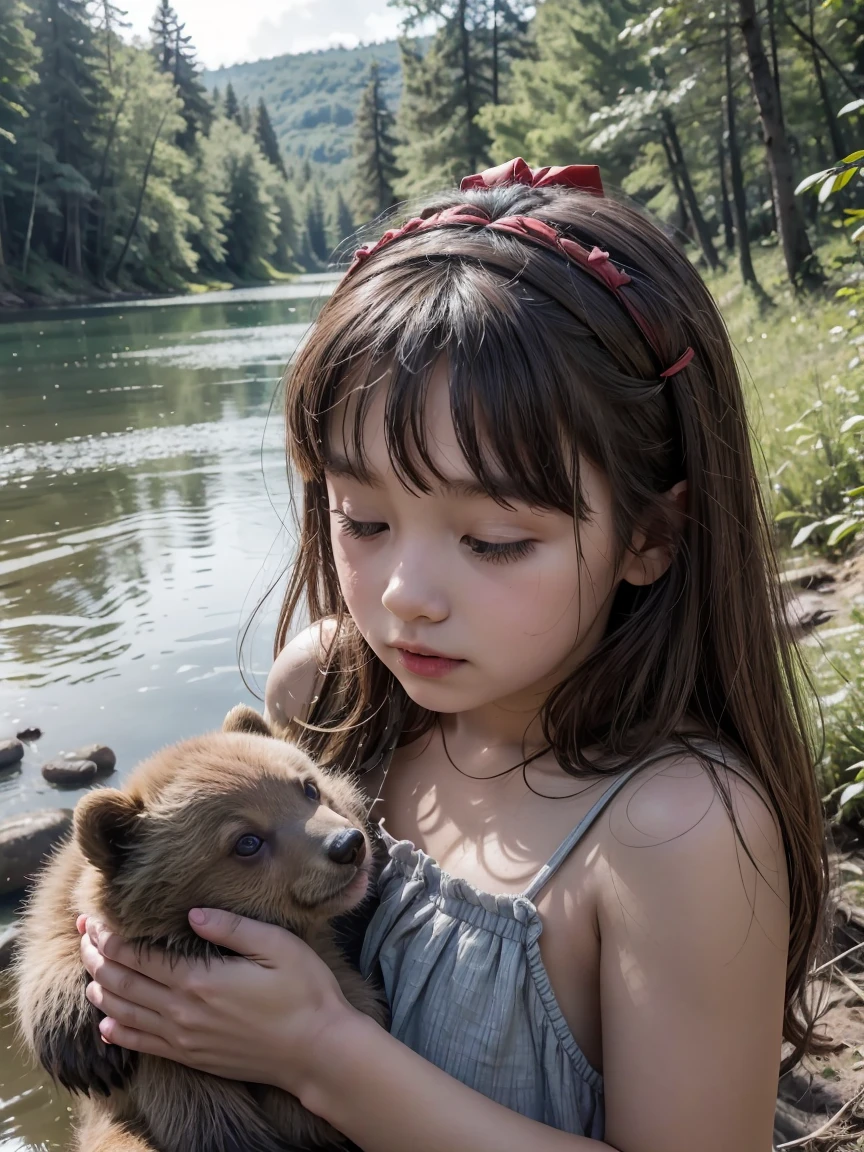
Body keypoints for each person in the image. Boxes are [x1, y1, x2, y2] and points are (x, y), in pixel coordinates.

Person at [78, 159, 830, 1152]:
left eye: (494, 541)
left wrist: (321, 1053)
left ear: (650, 535)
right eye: (363, 518)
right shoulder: (331, 699)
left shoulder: (675, 831)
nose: (404, 596)